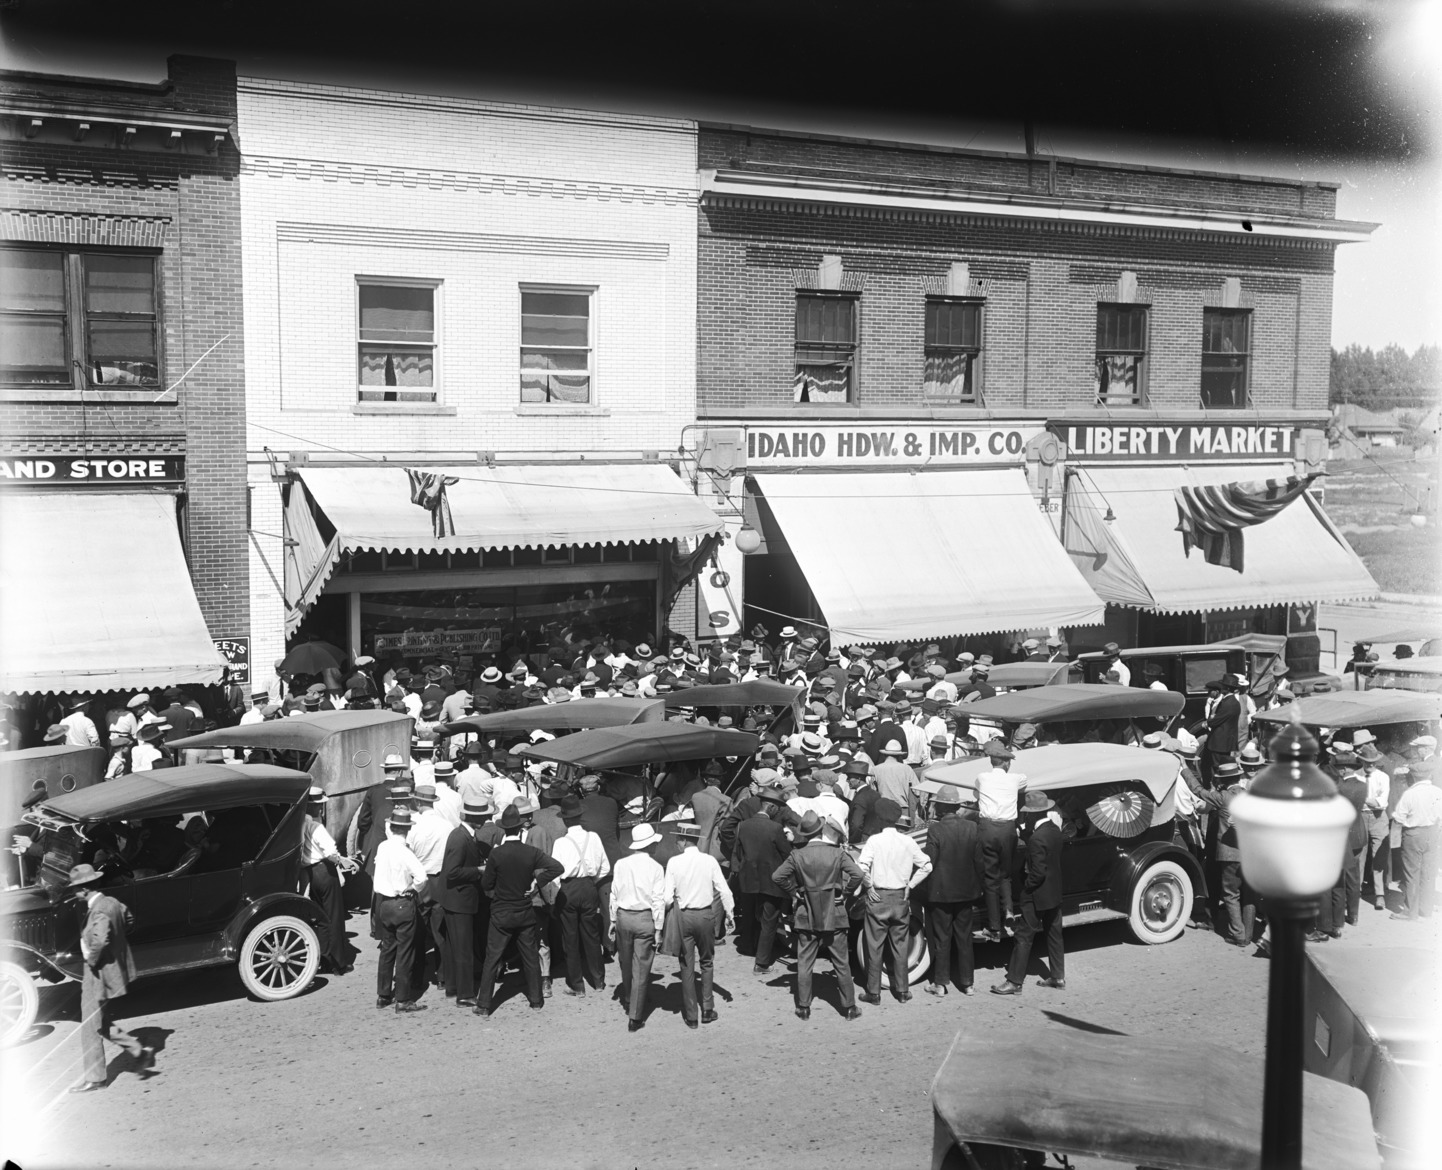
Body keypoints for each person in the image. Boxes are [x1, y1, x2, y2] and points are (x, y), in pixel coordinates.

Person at [772, 810, 868, 1021]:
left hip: (806, 913)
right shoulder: (836, 853)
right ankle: (849, 1007)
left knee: (805, 962)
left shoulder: (797, 855)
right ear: (821, 830)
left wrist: (794, 892)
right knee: (841, 962)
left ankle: (804, 1007)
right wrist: (845, 893)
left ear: (804, 833)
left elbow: (777, 876)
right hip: (835, 913)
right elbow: (858, 874)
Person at [66, 863, 155, 1092]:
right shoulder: (113, 902)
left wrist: (91, 958)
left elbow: (99, 941)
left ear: (84, 889)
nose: (73, 892)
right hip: (108, 969)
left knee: (90, 1025)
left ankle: (95, 1078)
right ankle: (138, 1051)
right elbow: (129, 921)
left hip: (97, 972)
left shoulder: (98, 910)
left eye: (74, 888)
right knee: (99, 1021)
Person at [476, 805, 565, 1017]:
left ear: (504, 829)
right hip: (525, 911)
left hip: (501, 912)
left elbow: (486, 884)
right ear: (520, 828)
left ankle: (484, 1004)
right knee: (530, 956)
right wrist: (536, 882)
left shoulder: (496, 854)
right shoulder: (530, 852)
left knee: (492, 958)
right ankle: (536, 1000)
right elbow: (557, 867)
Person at [857, 798, 932, 1005]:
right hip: (900, 897)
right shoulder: (908, 841)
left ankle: (874, 993)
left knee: (874, 946)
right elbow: (926, 866)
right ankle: (902, 991)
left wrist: (869, 886)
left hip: (878, 897)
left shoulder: (874, 841)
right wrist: (911, 885)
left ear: (879, 819)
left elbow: (861, 867)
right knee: (900, 946)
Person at [662, 820, 735, 1028]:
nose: (676, 843)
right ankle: (708, 1009)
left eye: (678, 839)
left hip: (683, 917)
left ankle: (692, 1015)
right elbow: (724, 890)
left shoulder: (674, 862)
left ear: (685, 841)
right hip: (705, 916)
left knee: (686, 965)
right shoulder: (709, 861)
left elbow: (666, 898)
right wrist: (730, 914)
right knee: (707, 962)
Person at [992, 791, 1066, 995]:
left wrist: (1026, 888)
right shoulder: (1054, 831)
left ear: (1032, 814)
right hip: (1054, 892)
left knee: (1023, 937)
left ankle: (1014, 981)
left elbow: (1038, 872)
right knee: (1054, 934)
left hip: (1036, 895)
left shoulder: (1036, 839)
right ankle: (1058, 976)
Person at [923, 785, 984, 997]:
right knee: (965, 938)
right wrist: (980, 886)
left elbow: (930, 860)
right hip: (966, 891)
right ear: (957, 807)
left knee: (942, 939)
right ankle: (968, 983)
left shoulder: (935, 830)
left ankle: (940, 984)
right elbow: (979, 861)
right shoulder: (972, 827)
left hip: (941, 893)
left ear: (940, 807)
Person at [551, 793, 611, 996]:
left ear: (565, 820)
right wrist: (592, 881)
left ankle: (577, 985)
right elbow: (605, 867)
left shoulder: (560, 843)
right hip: (589, 886)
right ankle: (598, 980)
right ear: (580, 816)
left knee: (570, 937)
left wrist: (555, 896)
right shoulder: (594, 838)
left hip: (568, 889)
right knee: (591, 934)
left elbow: (555, 874)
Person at [609, 823, 667, 1031]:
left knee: (625, 961)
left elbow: (614, 893)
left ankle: (628, 996)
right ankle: (635, 1016)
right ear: (649, 844)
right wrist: (659, 928)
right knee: (641, 966)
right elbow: (658, 900)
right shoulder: (656, 868)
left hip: (623, 917)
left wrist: (612, 920)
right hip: (644, 919)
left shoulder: (620, 864)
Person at [731, 788, 794, 975]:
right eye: (778, 808)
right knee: (769, 921)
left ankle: (749, 947)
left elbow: (737, 853)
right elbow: (787, 855)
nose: (779, 812)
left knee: (752, 915)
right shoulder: (775, 828)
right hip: (771, 882)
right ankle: (761, 963)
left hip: (748, 880)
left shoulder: (743, 826)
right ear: (771, 807)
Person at [372, 807, 429, 1013]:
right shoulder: (405, 852)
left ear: (392, 827)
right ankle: (403, 999)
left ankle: (383, 994)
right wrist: (412, 888)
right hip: (402, 903)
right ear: (407, 829)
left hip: (384, 903)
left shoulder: (383, 847)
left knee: (387, 949)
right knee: (405, 952)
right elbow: (422, 877)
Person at [438, 798, 493, 1008]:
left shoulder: (464, 835)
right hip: (459, 900)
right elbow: (452, 872)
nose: (486, 819)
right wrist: (478, 870)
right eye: (483, 816)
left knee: (454, 947)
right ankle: (465, 994)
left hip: (457, 899)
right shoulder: (460, 838)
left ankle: (453, 987)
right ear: (475, 818)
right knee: (463, 949)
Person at [1193, 761, 1255, 948]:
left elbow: (1198, 790)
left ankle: (1238, 934)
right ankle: (1248, 934)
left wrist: (1185, 769)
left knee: (1231, 894)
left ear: (1222, 780)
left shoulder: (1222, 797)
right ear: (1238, 777)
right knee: (1249, 896)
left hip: (1229, 854)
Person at [300, 787, 358, 975]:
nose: (321, 808)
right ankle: (339, 963)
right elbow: (331, 853)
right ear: (314, 807)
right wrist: (344, 861)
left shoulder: (298, 825)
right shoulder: (316, 827)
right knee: (334, 916)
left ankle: (324, 959)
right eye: (319, 805)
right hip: (324, 871)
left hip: (309, 873)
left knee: (320, 919)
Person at [975, 741, 1024, 941]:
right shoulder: (1016, 779)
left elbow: (976, 791)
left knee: (990, 877)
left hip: (987, 828)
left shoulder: (982, 778)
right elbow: (1024, 782)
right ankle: (1009, 909)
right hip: (1007, 829)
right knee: (1006, 873)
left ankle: (994, 925)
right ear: (1006, 763)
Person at [1390, 759, 1440, 921]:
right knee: (1428, 873)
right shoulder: (1437, 792)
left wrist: (1395, 840)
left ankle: (1409, 912)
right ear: (1429, 775)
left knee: (1411, 874)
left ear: (1413, 776)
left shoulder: (1410, 794)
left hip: (1413, 835)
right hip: (1432, 834)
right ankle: (1425, 910)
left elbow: (1399, 818)